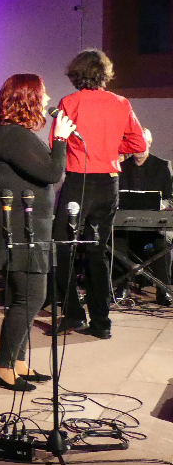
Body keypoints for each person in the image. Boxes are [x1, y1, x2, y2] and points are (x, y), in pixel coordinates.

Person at [0, 74, 75, 391]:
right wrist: (60, 139)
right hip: (18, 228)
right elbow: (52, 172)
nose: (46, 100)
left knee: (23, 295)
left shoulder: (17, 134)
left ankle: (17, 361)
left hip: (27, 227)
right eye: (42, 94)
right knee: (32, 296)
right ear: (27, 98)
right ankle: (3, 366)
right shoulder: (11, 135)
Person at [51, 49, 146, 339]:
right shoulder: (120, 102)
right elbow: (138, 143)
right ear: (104, 73)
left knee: (62, 248)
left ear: (76, 73)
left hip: (79, 181)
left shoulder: (69, 102)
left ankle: (74, 314)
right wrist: (110, 150)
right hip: (109, 183)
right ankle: (102, 323)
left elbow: (58, 142)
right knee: (98, 252)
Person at [114, 128, 173, 305]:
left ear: (149, 143)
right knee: (116, 243)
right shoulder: (121, 168)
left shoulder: (162, 166)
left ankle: (163, 290)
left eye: (143, 143)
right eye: (136, 143)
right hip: (126, 228)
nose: (139, 147)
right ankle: (121, 287)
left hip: (153, 229)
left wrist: (163, 204)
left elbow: (171, 197)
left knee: (163, 244)